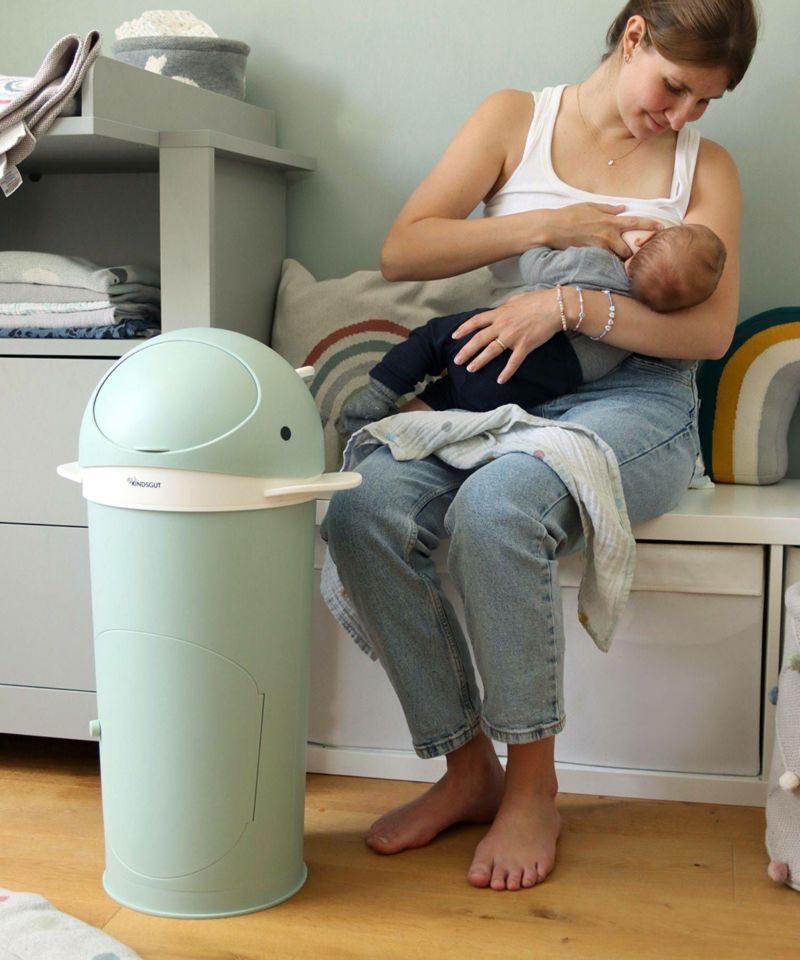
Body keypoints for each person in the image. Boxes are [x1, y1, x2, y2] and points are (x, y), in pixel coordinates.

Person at [322, 0, 758, 893]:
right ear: (633, 36)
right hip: (504, 384)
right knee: (363, 504)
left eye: (704, 102)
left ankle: (531, 785)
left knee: (501, 503)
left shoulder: (706, 167)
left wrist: (570, 305)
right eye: (676, 87)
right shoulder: (514, 119)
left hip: (639, 399)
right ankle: (465, 768)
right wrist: (552, 226)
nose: (682, 115)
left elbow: (710, 333)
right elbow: (405, 250)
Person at [336, 222, 726, 432]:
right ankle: (389, 431)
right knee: (449, 397)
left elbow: (535, 265)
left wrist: (549, 241)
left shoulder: (595, 263)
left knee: (433, 339)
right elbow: (681, 355)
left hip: (494, 334)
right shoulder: (644, 330)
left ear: (642, 243)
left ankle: (374, 399)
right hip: (516, 388)